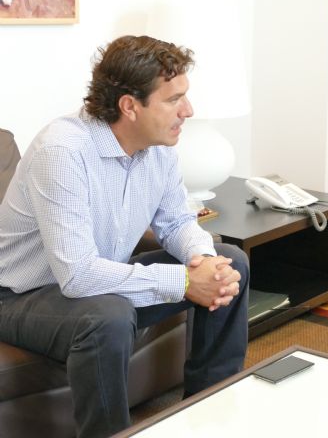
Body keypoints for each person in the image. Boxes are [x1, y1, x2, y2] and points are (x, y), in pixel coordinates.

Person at [0, 35, 249, 437]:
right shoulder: (62, 152)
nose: (188, 110)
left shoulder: (159, 144)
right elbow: (78, 276)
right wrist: (186, 281)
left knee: (231, 261)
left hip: (97, 280)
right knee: (108, 317)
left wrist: (206, 263)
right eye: (173, 99)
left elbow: (176, 222)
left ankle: (209, 413)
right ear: (129, 106)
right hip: (19, 296)